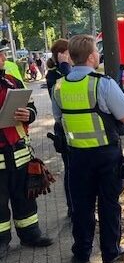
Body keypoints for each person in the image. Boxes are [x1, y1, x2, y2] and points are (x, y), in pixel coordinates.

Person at [52, 35, 124, 263]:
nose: (98, 55)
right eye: (96, 51)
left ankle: (82, 252)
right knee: (108, 204)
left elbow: (59, 118)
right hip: (106, 155)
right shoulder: (102, 83)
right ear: (89, 57)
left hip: (76, 156)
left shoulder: (59, 86)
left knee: (81, 205)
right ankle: (110, 251)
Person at [0, 46, 54, 259]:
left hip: (19, 153)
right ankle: (1, 243)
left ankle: (31, 235)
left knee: (25, 197)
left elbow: (31, 107)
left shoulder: (13, 81)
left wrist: (28, 114)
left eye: (2, 54)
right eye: (0, 54)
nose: (3, 57)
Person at [46, 39, 72, 217]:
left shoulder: (69, 71)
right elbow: (65, 91)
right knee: (70, 169)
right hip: (64, 130)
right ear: (61, 55)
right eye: (68, 53)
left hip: (76, 130)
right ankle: (72, 208)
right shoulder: (54, 75)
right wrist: (63, 66)